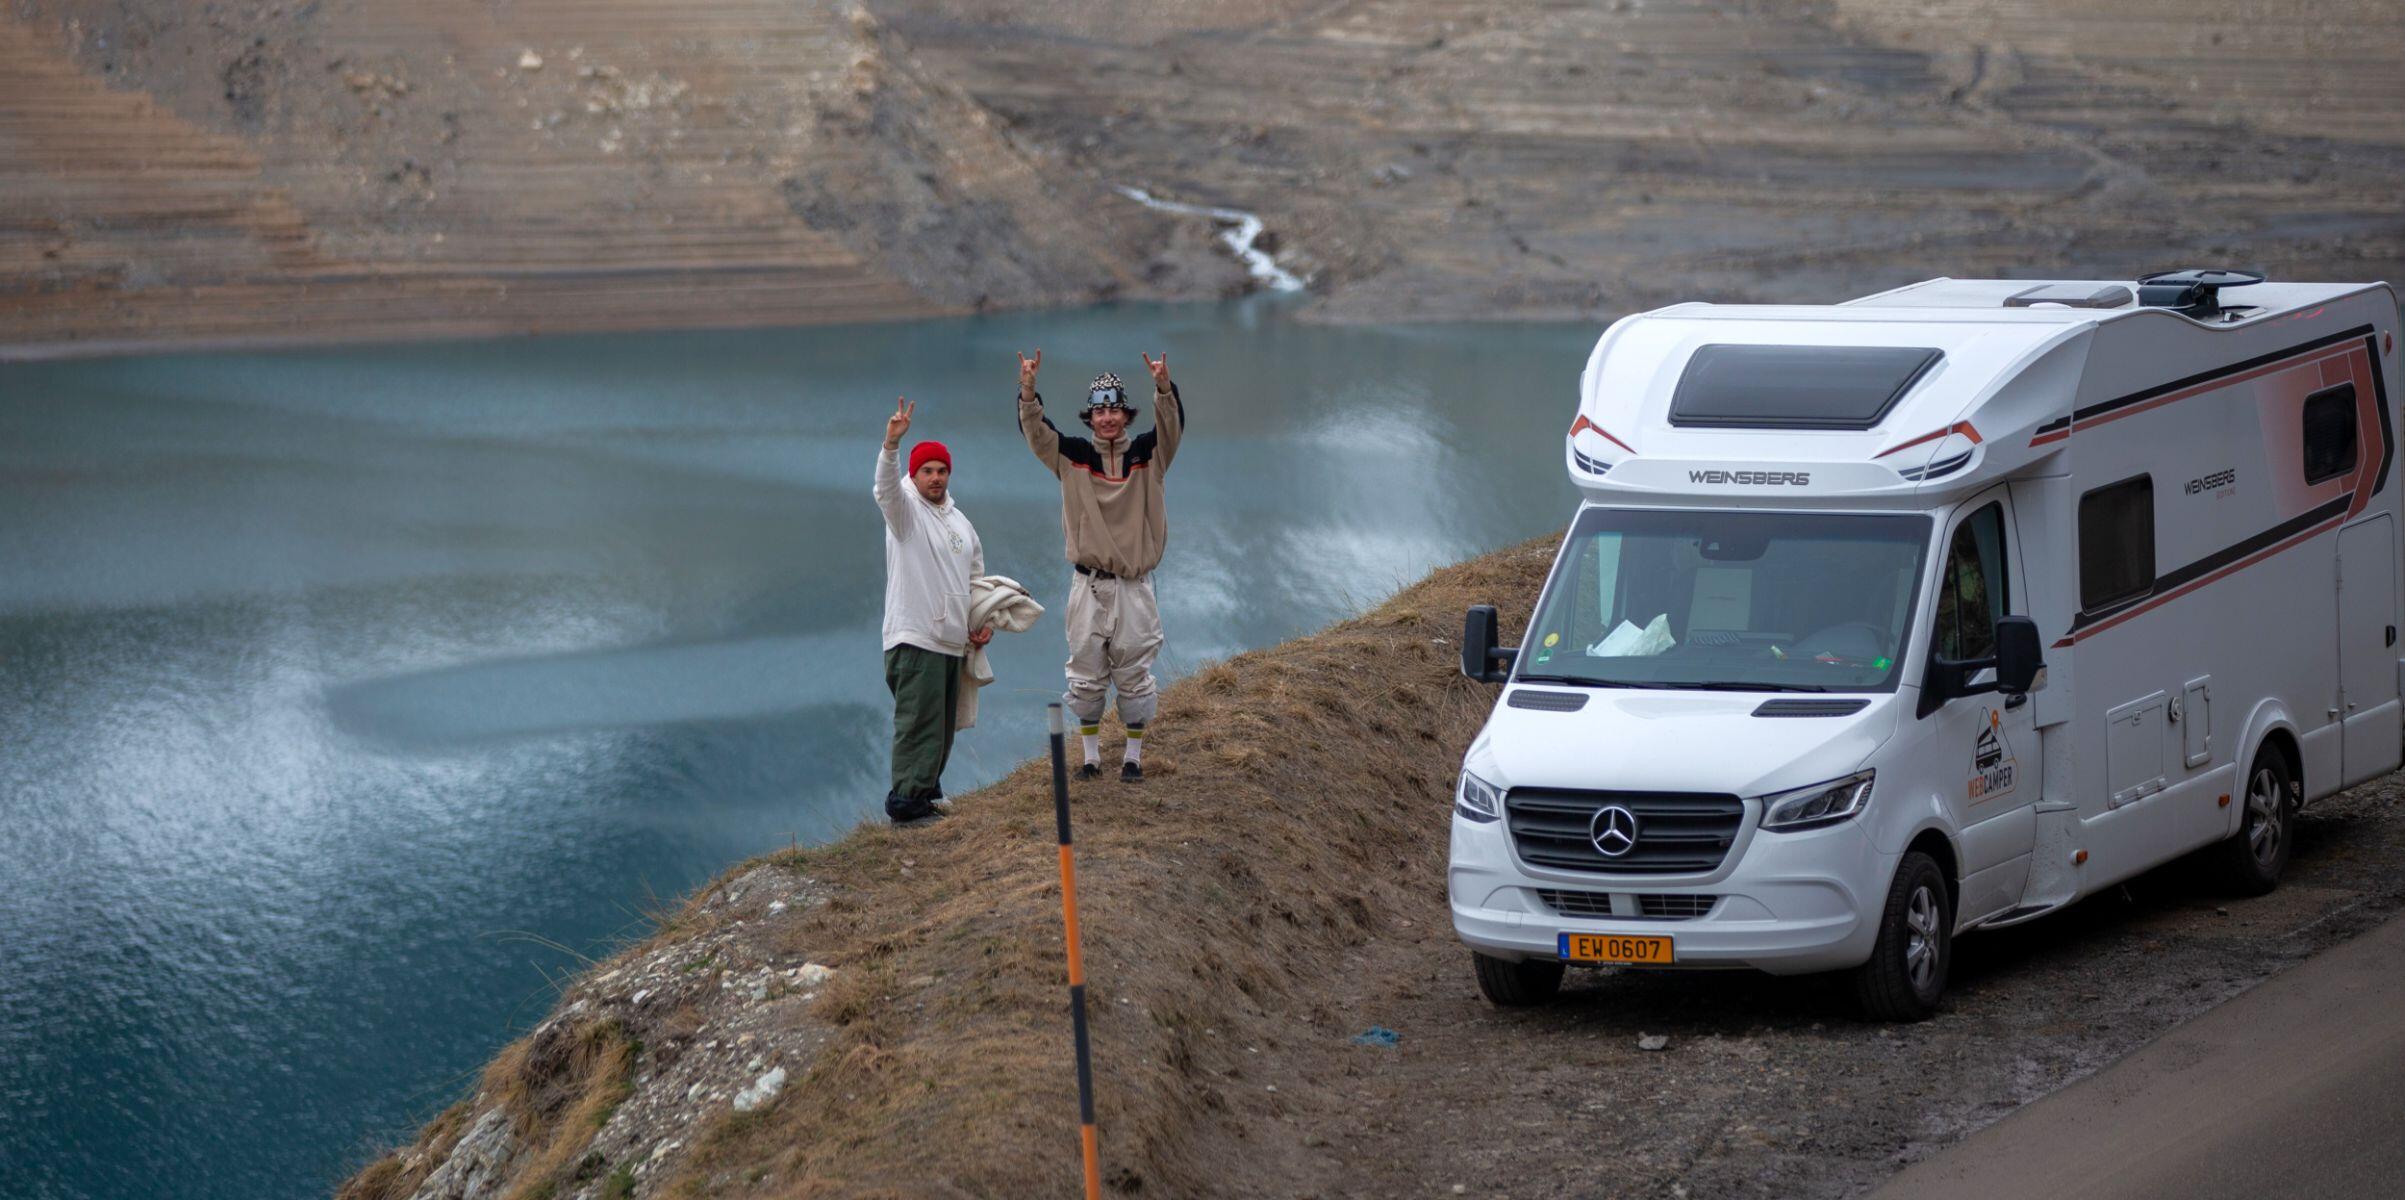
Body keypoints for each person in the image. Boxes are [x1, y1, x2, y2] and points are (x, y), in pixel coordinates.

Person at [1014, 348, 1183, 782]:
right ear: (1090, 417)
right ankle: (1090, 758)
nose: (1107, 418)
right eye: (1100, 411)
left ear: (1126, 415)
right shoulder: (1072, 457)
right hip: (1087, 584)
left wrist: (1164, 388)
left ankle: (1132, 758)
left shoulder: (1149, 456)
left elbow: (1171, 428)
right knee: (1086, 670)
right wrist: (1028, 390)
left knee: (1134, 669)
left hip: (1133, 584)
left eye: (1114, 411)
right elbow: (1037, 434)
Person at [875, 397, 990, 824]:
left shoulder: (960, 523)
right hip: (915, 639)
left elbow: (976, 580)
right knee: (918, 724)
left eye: (941, 470)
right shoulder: (905, 514)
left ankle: (925, 793)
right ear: (914, 474)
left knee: (941, 726)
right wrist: (891, 446)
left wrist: (980, 623)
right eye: (927, 470)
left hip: (951, 641)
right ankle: (906, 806)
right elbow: (885, 491)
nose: (936, 477)